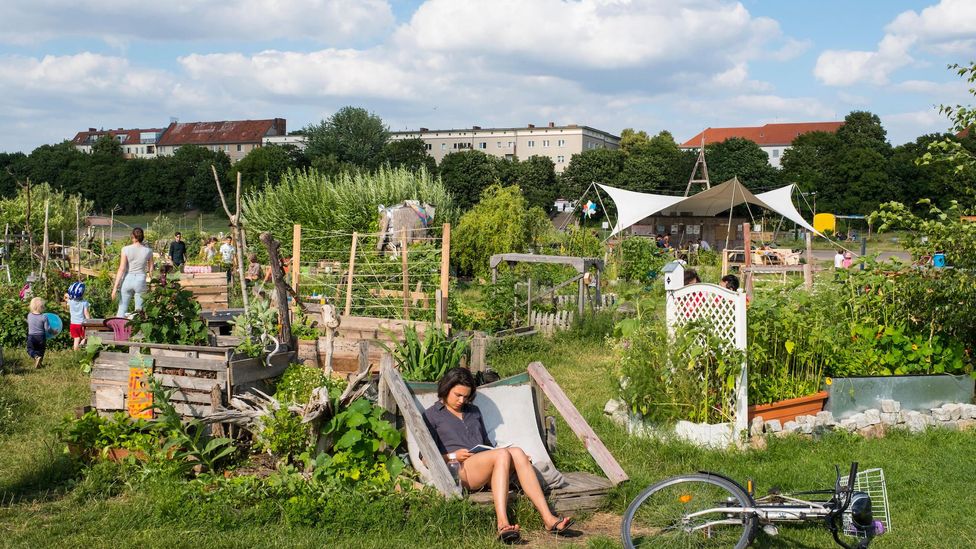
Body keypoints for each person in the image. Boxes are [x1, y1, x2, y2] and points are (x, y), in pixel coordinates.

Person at [424, 368, 574, 543]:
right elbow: (426, 458)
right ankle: (502, 524)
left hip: (483, 464)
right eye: (457, 395)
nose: (461, 400)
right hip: (461, 470)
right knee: (503, 454)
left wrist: (516, 461)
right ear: (446, 388)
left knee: (517, 452)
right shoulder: (432, 415)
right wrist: (452, 456)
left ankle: (549, 519)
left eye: (466, 396)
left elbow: (487, 446)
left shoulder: (473, 411)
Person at [112, 228, 154, 318]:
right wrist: (151, 281)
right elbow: (151, 269)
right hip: (140, 280)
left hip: (127, 279)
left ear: (133, 237)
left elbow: (121, 269)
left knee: (122, 308)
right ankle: (136, 331)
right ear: (142, 237)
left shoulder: (125, 249)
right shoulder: (149, 251)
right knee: (139, 311)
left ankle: (119, 330)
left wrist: (115, 287)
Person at [26, 297, 54, 368]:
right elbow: (47, 329)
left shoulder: (29, 315)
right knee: (41, 351)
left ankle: (35, 357)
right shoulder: (44, 317)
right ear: (42, 307)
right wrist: (54, 331)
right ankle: (39, 362)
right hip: (41, 337)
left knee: (30, 349)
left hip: (31, 336)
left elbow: (30, 323)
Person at [66, 282, 92, 351]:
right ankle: (81, 345)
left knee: (76, 338)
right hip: (82, 324)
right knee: (86, 337)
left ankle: (75, 352)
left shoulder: (70, 302)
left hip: (73, 324)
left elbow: (66, 297)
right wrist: (90, 322)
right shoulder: (84, 303)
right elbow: (86, 313)